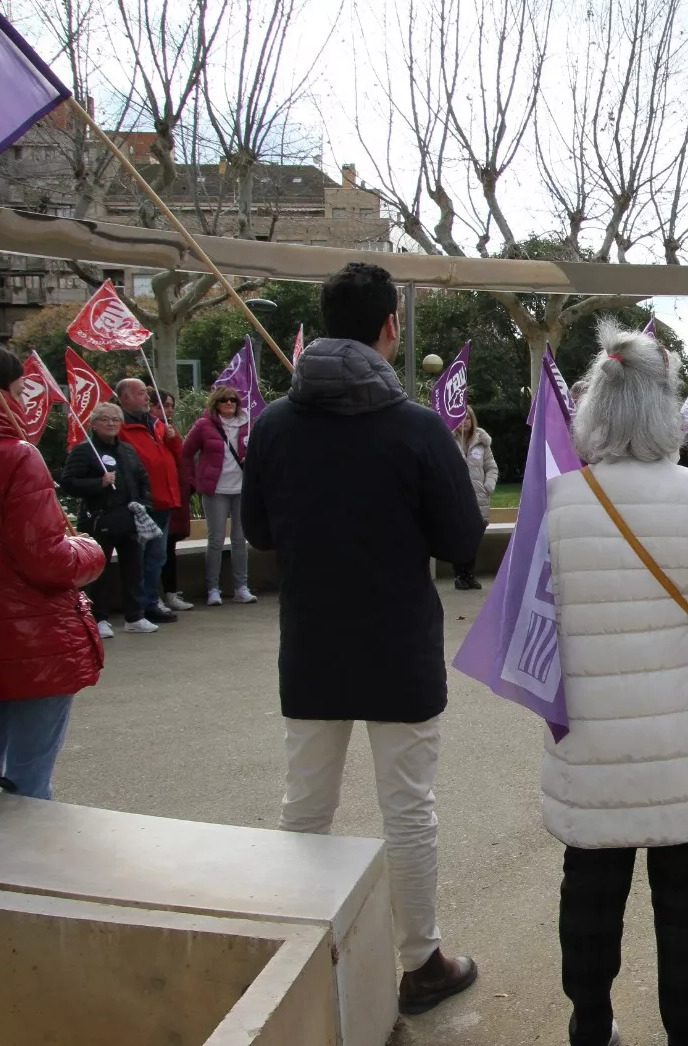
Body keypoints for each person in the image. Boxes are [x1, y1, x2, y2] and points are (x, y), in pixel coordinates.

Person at [243, 262, 487, 1016]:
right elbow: (461, 540)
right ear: (390, 326)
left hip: (311, 639)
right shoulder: (417, 427)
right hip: (397, 643)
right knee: (408, 807)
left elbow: (258, 532)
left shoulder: (274, 425)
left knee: (305, 805)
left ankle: (297, 960)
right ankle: (422, 963)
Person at [545, 320, 688, 1046]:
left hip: (588, 728)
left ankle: (590, 1026)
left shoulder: (556, 501)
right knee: (686, 895)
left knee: (590, 887)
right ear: (664, 409)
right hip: (686, 731)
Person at [0, 343, 107, 799]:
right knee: (29, 785)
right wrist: (89, 550)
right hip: (28, 638)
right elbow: (48, 561)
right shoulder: (15, 456)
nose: (23, 402)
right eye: (19, 391)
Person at [62, 403, 154, 636]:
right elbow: (68, 482)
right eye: (104, 419)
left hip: (129, 519)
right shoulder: (84, 450)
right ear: (94, 424)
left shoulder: (128, 450)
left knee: (134, 569)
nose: (111, 423)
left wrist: (144, 504)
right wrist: (98, 483)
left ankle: (135, 616)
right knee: (97, 573)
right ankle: (98, 618)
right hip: (99, 519)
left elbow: (142, 479)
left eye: (115, 419)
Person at [116, 378, 183, 627]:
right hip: (141, 503)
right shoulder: (120, 427)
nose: (147, 397)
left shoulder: (157, 425)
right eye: (141, 393)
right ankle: (138, 606)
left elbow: (178, 457)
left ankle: (150, 602)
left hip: (164, 500)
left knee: (157, 557)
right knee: (139, 558)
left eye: (146, 393)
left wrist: (173, 439)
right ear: (124, 398)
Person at [180, 386, 256, 606]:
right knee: (215, 539)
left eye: (233, 400)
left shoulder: (248, 424)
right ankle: (213, 588)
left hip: (241, 488)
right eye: (224, 400)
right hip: (216, 490)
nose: (229, 403)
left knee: (240, 540)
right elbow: (186, 452)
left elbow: (259, 451)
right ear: (216, 403)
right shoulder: (204, 425)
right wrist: (193, 480)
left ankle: (241, 587)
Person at [152, 390, 195, 613]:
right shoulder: (146, 429)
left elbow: (181, 457)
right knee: (153, 552)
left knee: (168, 548)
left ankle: (170, 593)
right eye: (163, 406)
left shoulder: (169, 430)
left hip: (173, 498)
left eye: (170, 406)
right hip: (152, 500)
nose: (168, 410)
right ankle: (152, 597)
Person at [451, 408, 498, 591]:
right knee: (458, 537)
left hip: (478, 498)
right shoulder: (448, 440)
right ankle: (459, 575)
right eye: (461, 418)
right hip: (457, 498)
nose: (464, 421)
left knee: (474, 538)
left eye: (468, 418)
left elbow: (491, 467)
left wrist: (488, 486)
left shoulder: (481, 442)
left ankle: (469, 574)